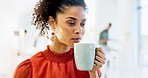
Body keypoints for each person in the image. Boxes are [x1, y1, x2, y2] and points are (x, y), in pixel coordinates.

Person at [13, 0, 106, 78]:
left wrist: (93, 72)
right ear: (52, 22)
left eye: (82, 24)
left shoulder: (87, 66)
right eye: (71, 23)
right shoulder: (29, 69)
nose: (79, 30)